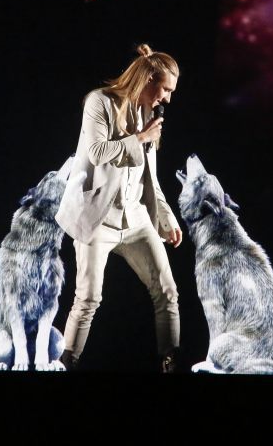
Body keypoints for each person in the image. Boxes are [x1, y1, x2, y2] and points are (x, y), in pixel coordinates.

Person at [55, 44, 183, 372]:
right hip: (98, 217)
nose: (167, 98)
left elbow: (149, 177)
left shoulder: (150, 115)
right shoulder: (99, 102)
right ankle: (67, 363)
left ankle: (170, 362)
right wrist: (139, 139)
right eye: (165, 89)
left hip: (136, 218)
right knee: (88, 299)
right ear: (148, 79)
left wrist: (165, 218)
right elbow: (96, 152)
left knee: (167, 290)